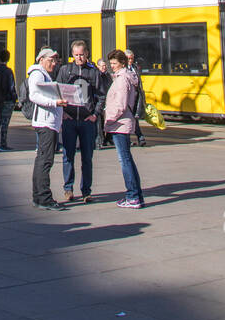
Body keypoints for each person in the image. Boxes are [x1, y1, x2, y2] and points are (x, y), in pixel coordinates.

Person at [55, 40, 106, 203]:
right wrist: (62, 113)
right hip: (69, 120)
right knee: (67, 155)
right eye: (76, 55)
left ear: (87, 54)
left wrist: (95, 115)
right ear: (72, 55)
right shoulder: (65, 70)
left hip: (87, 121)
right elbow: (57, 92)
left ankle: (86, 191)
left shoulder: (94, 72)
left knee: (87, 158)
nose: (79, 58)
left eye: (82, 54)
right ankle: (68, 189)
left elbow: (102, 96)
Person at [28, 47, 68, 209]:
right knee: (45, 161)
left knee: (43, 160)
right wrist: (55, 103)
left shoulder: (43, 74)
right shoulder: (38, 74)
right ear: (41, 59)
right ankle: (44, 197)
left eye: (55, 60)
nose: (54, 63)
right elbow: (34, 95)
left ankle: (39, 196)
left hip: (49, 122)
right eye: (51, 60)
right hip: (45, 123)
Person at [105, 49, 145, 209]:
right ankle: (136, 195)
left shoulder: (122, 80)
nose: (112, 66)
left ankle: (133, 196)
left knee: (125, 160)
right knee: (127, 159)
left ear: (122, 63)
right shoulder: (127, 77)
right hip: (124, 122)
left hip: (120, 123)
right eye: (111, 64)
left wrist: (108, 118)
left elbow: (120, 105)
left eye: (114, 63)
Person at [0, 48, 18, 151]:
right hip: (7, 100)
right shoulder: (8, 71)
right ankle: (3, 144)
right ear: (8, 59)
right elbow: (11, 86)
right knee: (5, 122)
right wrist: (15, 98)